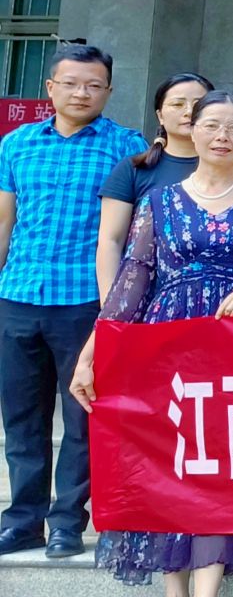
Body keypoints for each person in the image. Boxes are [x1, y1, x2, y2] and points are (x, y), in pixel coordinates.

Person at [78, 90, 233, 597]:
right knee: (166, 467)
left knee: (220, 469)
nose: (222, 136)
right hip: (165, 346)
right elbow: (133, 279)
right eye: (212, 125)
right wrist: (94, 349)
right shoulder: (160, 201)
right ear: (191, 130)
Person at [0, 45, 144, 560]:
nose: (81, 93)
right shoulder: (16, 144)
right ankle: (23, 520)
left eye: (93, 85)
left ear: (108, 91)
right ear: (51, 87)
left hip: (85, 300)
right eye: (71, 83)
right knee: (22, 417)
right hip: (18, 295)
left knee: (83, 418)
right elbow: (5, 221)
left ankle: (66, 521)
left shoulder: (126, 146)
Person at [97, 72, 233, 301]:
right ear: (159, 115)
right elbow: (111, 241)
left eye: (198, 104)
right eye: (177, 104)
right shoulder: (134, 169)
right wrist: (111, 302)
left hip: (231, 302)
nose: (188, 111)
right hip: (152, 302)